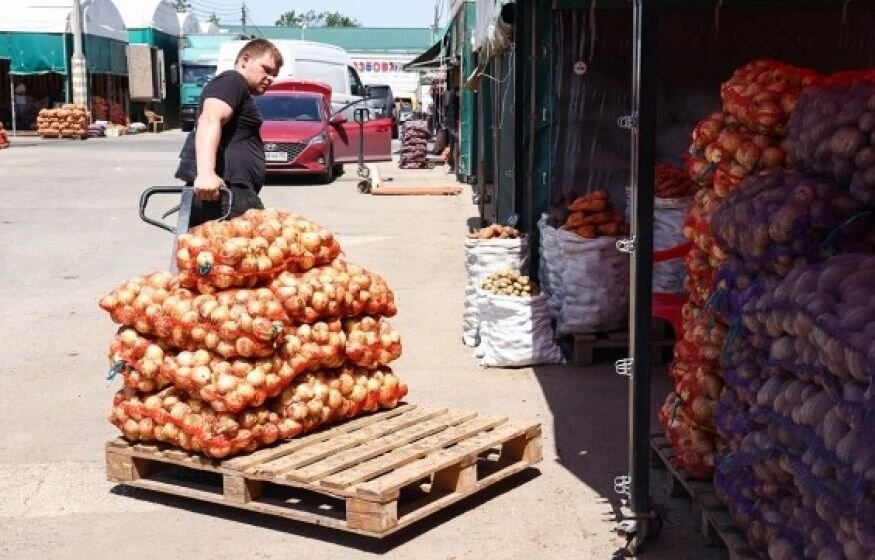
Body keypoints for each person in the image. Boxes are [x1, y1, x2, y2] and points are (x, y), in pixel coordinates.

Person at [175, 39, 283, 227]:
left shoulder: (238, 88)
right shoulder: (232, 80)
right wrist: (206, 174)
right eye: (266, 69)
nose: (271, 78)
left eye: (274, 74)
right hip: (225, 196)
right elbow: (209, 119)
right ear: (245, 59)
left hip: (231, 196)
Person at [444, 86, 460, 174]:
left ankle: (453, 165)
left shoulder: (451, 93)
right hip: (452, 122)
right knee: (454, 143)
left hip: (451, 121)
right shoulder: (455, 93)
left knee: (453, 143)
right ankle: (453, 165)